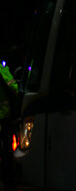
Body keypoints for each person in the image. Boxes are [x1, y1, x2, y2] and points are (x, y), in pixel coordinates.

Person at [0, 53, 19, 191]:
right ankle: (8, 180)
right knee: (7, 150)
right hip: (4, 116)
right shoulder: (1, 69)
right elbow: (14, 88)